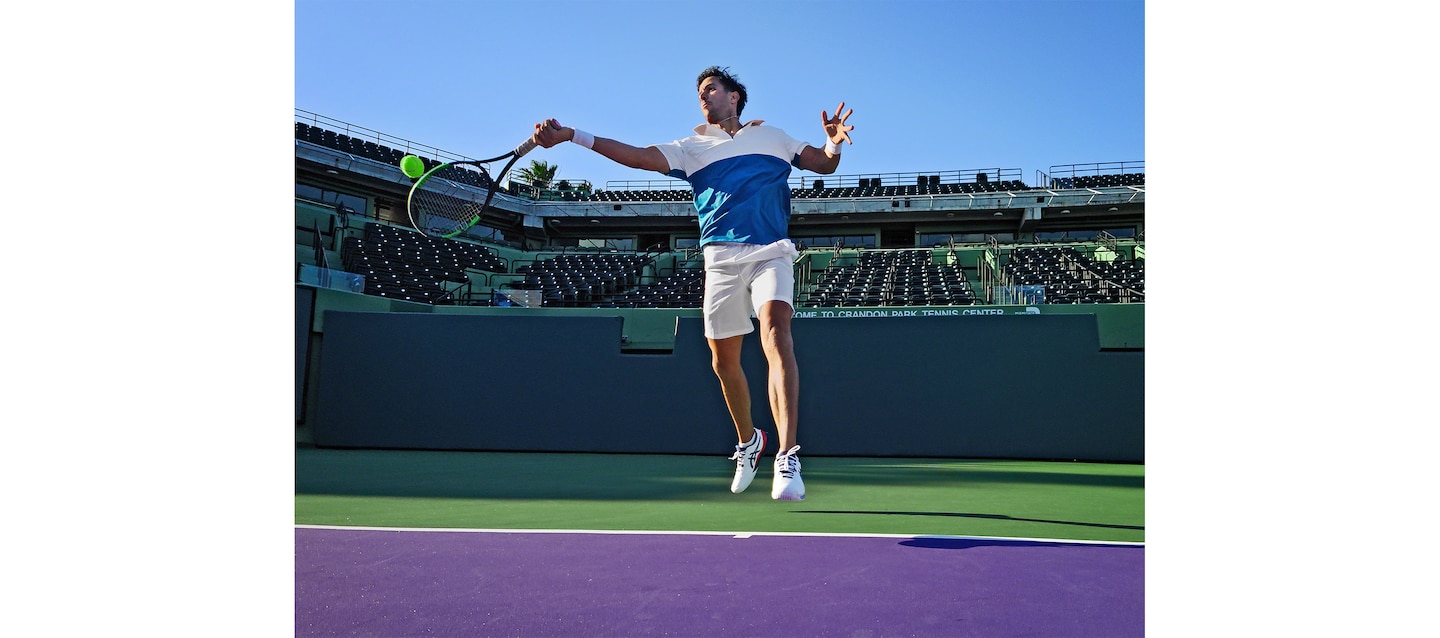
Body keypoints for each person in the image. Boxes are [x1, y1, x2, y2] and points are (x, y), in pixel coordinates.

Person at [532, 66, 853, 501]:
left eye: (711, 90)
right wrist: (573, 135)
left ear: (735, 96)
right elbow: (638, 156)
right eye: (700, 93)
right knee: (724, 363)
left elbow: (823, 164)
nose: (704, 98)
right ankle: (748, 442)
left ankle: (786, 453)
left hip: (771, 252)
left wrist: (833, 141)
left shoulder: (774, 137)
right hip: (720, 260)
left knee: (777, 333)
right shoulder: (691, 148)